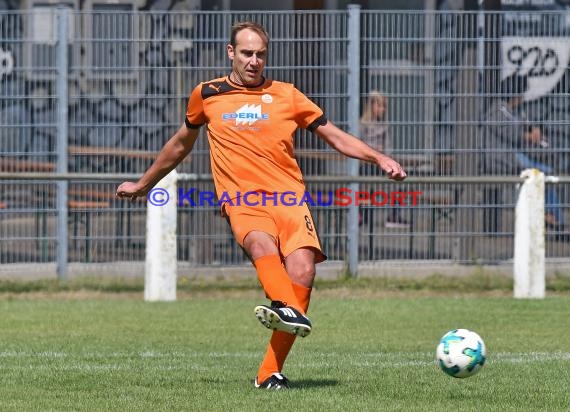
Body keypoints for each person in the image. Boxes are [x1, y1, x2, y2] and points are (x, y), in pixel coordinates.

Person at [116, 21, 407, 390]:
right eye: (247, 53)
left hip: (289, 198)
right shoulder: (207, 95)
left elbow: (333, 135)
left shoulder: (287, 95)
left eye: (260, 55)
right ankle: (285, 307)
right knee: (260, 244)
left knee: (303, 271)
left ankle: (269, 370)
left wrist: (378, 158)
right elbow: (179, 145)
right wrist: (144, 183)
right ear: (231, 53)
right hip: (242, 200)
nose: (254, 61)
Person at [484, 72, 565, 231]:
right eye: (521, 94)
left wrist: (534, 130)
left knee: (546, 174)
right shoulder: (496, 111)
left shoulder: (515, 112)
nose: (522, 98)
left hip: (516, 157)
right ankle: (554, 220)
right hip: (501, 160)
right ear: (515, 94)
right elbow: (510, 134)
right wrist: (528, 136)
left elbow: (526, 124)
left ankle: (554, 218)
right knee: (545, 174)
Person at [359, 90, 410, 229]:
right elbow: (358, 146)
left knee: (398, 180)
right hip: (366, 164)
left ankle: (394, 216)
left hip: (380, 165)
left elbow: (388, 149)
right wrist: (375, 150)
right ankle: (361, 215)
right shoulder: (362, 125)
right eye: (380, 105)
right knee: (362, 179)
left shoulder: (384, 126)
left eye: (384, 106)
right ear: (372, 106)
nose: (383, 109)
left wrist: (379, 152)